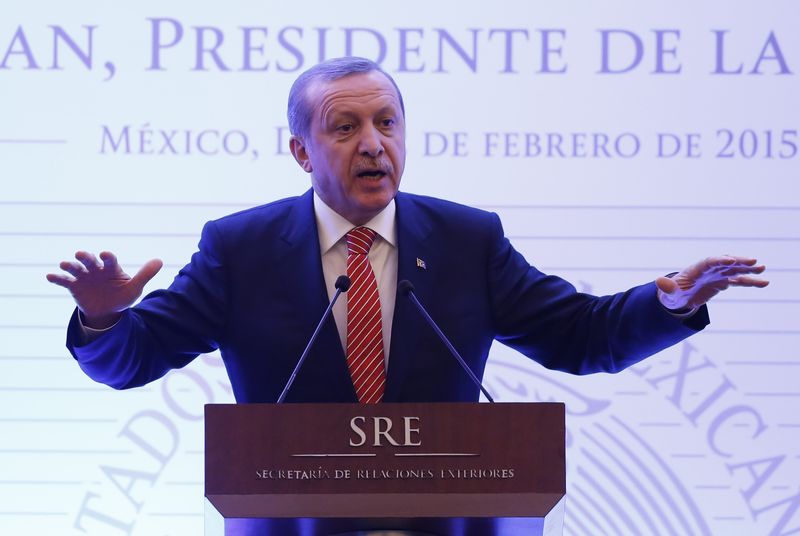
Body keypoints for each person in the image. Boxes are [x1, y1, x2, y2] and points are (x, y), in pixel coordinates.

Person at [47, 57, 768, 404]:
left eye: (386, 122)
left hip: (450, 516)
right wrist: (105, 320)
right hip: (289, 519)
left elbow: (577, 338)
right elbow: (135, 361)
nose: (373, 143)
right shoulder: (241, 249)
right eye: (345, 126)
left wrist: (668, 301)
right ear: (301, 151)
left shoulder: (467, 240)